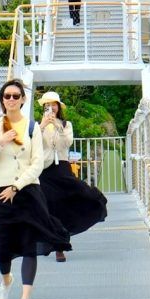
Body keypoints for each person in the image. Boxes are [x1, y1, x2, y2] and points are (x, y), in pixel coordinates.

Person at [0, 80, 71, 299]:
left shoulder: (31, 128)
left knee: (30, 245)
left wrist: (16, 187)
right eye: (7, 96)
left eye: (15, 96)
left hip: (28, 191)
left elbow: (37, 163)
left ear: (22, 99)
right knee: (2, 248)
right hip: (0, 192)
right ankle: (6, 280)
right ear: (2, 100)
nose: (11, 100)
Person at [36, 91, 107, 263]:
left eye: (54, 104)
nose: (51, 108)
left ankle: (96, 205)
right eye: (47, 105)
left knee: (75, 195)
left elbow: (65, 143)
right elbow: (33, 143)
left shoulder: (66, 124)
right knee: (50, 207)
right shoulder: (37, 126)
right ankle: (60, 247)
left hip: (61, 167)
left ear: (59, 106)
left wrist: (58, 127)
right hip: (44, 169)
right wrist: (43, 126)